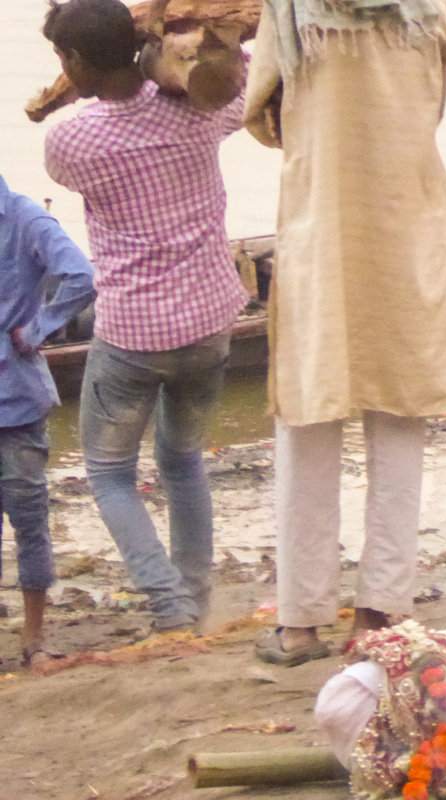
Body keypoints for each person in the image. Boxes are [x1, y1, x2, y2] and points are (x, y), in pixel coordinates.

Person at [244, 0, 446, 665]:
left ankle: (300, 623)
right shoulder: (430, 6)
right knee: (401, 416)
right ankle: (381, 611)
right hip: (406, 216)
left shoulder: (292, 7)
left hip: (325, 223)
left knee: (308, 419)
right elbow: (433, 100)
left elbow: (263, 112)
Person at [43, 0, 249, 635]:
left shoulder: (70, 140)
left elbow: (69, 164)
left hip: (133, 333)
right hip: (211, 322)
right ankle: (195, 590)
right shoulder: (198, 110)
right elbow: (239, 84)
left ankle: (169, 604)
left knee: (107, 473)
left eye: (62, 57)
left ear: (75, 62)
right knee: (183, 459)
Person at [0, 175, 96, 665]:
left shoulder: (24, 218)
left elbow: (80, 276)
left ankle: (34, 641)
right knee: (28, 519)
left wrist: (36, 329)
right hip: (15, 395)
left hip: (14, 401)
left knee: (29, 520)